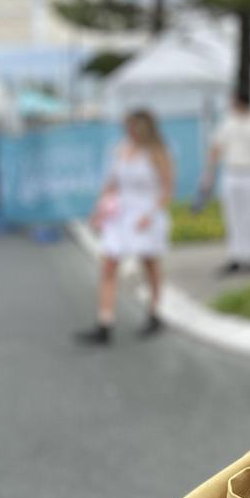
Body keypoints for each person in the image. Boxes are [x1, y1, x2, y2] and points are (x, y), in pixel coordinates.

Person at [78, 109, 174, 344]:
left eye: (132, 126)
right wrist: (100, 209)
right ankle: (105, 322)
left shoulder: (157, 153)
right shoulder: (121, 150)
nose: (128, 130)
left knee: (149, 264)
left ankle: (155, 311)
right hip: (122, 214)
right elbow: (112, 183)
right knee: (109, 264)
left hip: (145, 213)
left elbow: (167, 188)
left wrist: (151, 214)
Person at [201, 87, 250, 275]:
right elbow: (216, 147)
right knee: (232, 216)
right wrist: (209, 173)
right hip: (232, 172)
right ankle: (236, 255)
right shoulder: (228, 121)